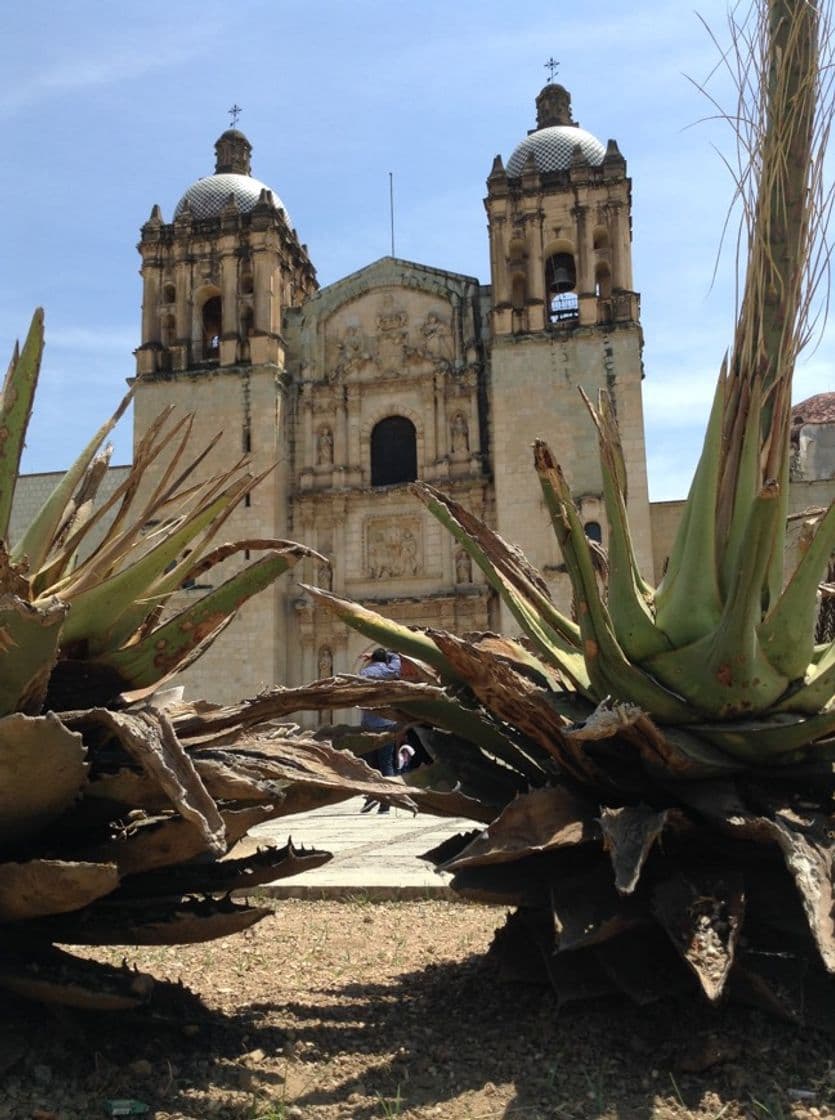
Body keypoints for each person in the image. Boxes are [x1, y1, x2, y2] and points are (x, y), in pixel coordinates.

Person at [359, 647, 401, 814]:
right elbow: (397, 661)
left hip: (368, 725)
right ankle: (386, 803)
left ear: (372, 659)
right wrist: (389, 655)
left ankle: (371, 795)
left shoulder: (363, 673)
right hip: (387, 724)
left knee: (370, 765)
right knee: (387, 764)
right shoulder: (389, 671)